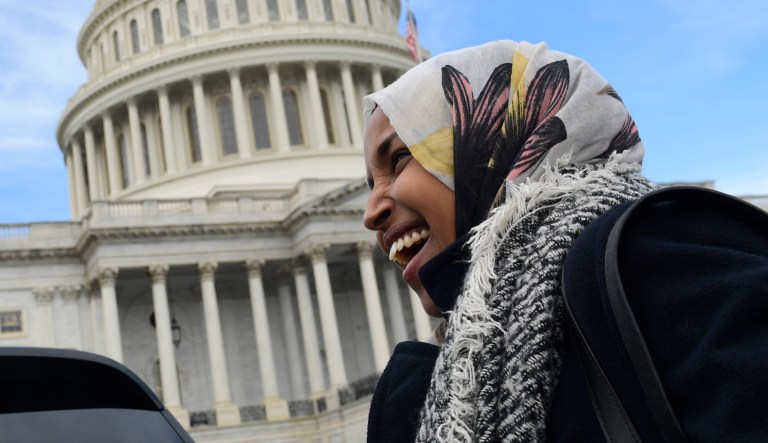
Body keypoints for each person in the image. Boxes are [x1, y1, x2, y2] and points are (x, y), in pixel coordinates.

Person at [361, 40, 768, 442]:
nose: (369, 212)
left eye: (399, 159)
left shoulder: (653, 254)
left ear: (489, 138)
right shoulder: (452, 369)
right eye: (369, 183)